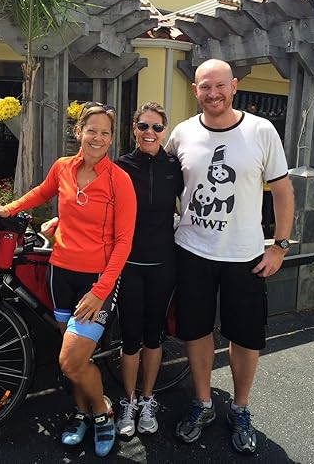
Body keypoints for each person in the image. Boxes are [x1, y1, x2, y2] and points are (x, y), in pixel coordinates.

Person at [165, 59, 294, 455]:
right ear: (195, 90)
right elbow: (160, 180)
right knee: (196, 330)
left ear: (234, 86)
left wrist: (280, 245)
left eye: (220, 85)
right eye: (205, 87)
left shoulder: (261, 130)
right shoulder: (182, 133)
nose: (213, 93)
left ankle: (240, 408)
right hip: (192, 251)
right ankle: (203, 403)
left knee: (244, 336)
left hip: (245, 255)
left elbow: (283, 190)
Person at [0, 103, 137, 458]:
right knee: (73, 359)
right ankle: (81, 412)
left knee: (71, 360)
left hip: (96, 281)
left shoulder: (119, 180)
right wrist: (8, 209)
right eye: (92, 131)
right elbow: (41, 193)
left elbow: (124, 242)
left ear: (111, 138)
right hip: (60, 273)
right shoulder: (63, 167)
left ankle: (102, 411)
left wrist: (100, 291)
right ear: (79, 132)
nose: (98, 138)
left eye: (105, 133)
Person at [113, 102, 183, 438]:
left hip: (163, 264)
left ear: (164, 131)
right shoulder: (120, 166)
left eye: (156, 127)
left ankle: (147, 399)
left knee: (153, 336)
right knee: (130, 338)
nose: (149, 132)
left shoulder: (174, 167)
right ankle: (127, 402)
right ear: (134, 130)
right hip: (128, 265)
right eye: (143, 126)